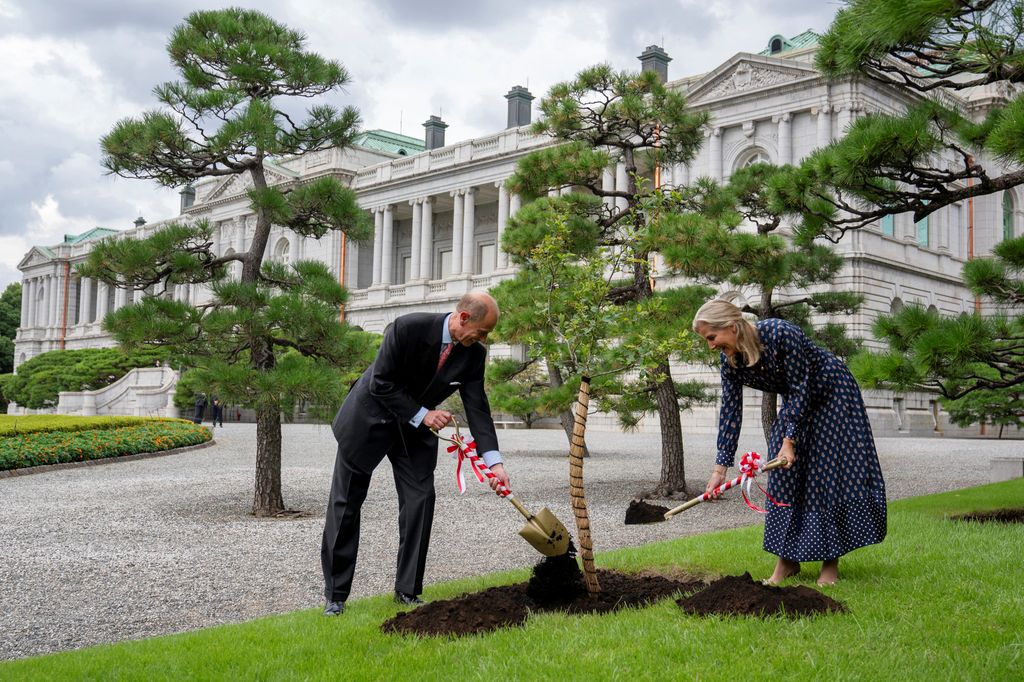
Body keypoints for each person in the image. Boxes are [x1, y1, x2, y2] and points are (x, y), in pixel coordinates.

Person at [320, 291, 510, 616]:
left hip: (415, 433)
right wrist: (423, 414)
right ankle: (336, 595)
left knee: (421, 500)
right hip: (369, 420)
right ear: (463, 318)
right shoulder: (406, 328)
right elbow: (380, 383)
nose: (484, 338)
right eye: (482, 331)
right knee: (346, 504)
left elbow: (478, 410)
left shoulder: (474, 355)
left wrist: (494, 463)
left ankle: (407, 591)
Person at [692, 297, 887, 586]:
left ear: (732, 327)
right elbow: (731, 410)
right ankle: (787, 561)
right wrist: (720, 468)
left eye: (712, 337)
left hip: (831, 392)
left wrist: (789, 440)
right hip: (798, 402)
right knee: (783, 476)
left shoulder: (780, 333)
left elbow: (799, 387)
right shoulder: (730, 361)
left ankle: (830, 563)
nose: (710, 346)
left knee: (824, 472)